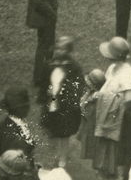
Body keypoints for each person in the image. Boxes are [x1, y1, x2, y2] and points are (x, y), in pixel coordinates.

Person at [42, 36, 86, 169]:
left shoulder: (74, 68)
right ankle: (56, 154)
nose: (59, 51)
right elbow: (45, 81)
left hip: (65, 106)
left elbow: (77, 87)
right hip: (52, 102)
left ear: (69, 51)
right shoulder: (51, 63)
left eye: (62, 49)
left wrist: (68, 101)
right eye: (58, 48)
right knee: (53, 130)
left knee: (64, 133)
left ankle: (63, 157)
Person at [26, 0, 59, 88]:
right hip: (45, 18)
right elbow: (39, 0)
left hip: (43, 17)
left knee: (44, 46)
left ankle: (41, 76)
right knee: (46, 46)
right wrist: (52, 14)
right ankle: (42, 77)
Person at [0, 87, 37, 162]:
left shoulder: (17, 123)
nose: (28, 108)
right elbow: (13, 161)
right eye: (24, 106)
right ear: (16, 109)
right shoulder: (9, 131)